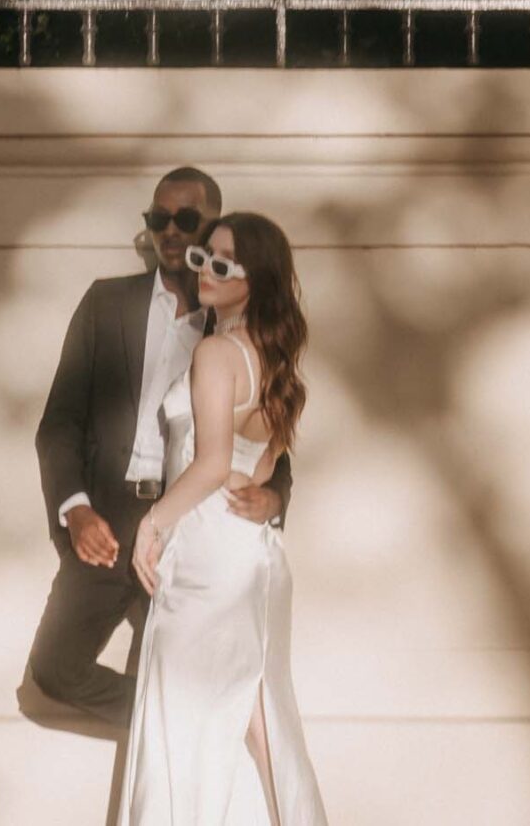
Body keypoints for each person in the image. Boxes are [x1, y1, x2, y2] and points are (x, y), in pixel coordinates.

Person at [22, 168, 292, 739]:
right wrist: (75, 508)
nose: (170, 231)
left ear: (213, 228)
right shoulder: (105, 303)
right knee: (54, 670)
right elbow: (60, 422)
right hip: (108, 526)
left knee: (177, 667)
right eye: (158, 219)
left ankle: (192, 734)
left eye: (186, 220)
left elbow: (267, 433)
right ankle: (201, 720)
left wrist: (272, 496)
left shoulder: (231, 324)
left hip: (189, 531)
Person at [117, 211, 327, 826]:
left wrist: (151, 524)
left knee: (186, 719)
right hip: (252, 553)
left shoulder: (216, 353)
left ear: (254, 278)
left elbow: (210, 464)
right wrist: (243, 484)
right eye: (203, 257)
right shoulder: (277, 363)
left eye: (223, 262)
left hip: (209, 559)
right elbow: (253, 474)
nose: (205, 269)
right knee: (263, 723)